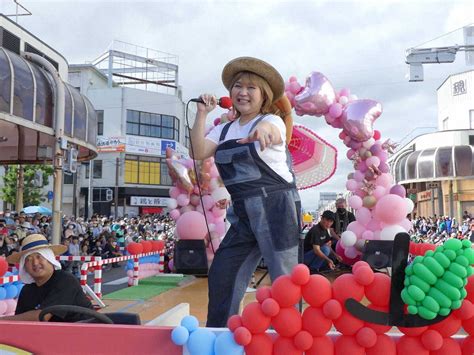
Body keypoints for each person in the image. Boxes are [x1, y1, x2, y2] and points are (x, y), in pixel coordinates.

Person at [191, 56, 301, 327]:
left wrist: (262, 132)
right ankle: (219, 334)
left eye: (251, 87)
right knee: (223, 272)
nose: (243, 92)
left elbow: (273, 132)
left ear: (263, 95)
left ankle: (288, 340)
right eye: (238, 86)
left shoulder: (271, 121)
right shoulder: (224, 129)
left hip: (277, 208)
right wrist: (202, 114)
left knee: (285, 280)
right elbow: (198, 152)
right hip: (242, 213)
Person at [3, 234, 92, 322]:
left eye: (39, 257)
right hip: (51, 334)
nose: (35, 263)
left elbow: (42, 316)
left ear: (50, 259)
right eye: (28, 260)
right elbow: (19, 321)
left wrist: (2, 320)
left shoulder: (65, 280)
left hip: (84, 333)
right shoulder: (27, 290)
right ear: (24, 266)